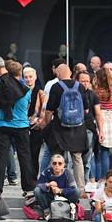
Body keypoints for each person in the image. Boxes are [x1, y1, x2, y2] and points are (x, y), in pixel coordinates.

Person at [38, 63, 89, 194]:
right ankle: (80, 189)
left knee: (57, 157)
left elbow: (49, 110)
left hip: (60, 128)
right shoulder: (80, 87)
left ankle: (54, 185)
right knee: (77, 158)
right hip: (78, 128)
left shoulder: (56, 87)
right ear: (71, 73)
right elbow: (86, 109)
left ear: (58, 74)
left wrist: (45, 124)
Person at [0, 61, 34, 192]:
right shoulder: (27, 90)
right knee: (24, 156)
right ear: (20, 73)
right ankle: (28, 187)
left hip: (3, 125)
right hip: (22, 125)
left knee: (1, 157)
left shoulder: (0, 88)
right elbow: (27, 107)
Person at [76, 71, 103, 187]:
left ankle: (85, 182)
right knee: (73, 159)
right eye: (83, 81)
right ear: (77, 81)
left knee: (87, 158)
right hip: (73, 129)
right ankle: (74, 183)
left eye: (87, 81)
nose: (85, 83)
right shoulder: (73, 94)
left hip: (89, 129)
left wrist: (101, 131)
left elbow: (98, 114)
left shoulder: (93, 95)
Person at [94, 68, 112, 176]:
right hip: (111, 118)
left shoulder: (97, 91)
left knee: (103, 153)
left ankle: (104, 178)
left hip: (100, 118)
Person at [23, 66, 46, 168]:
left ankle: (33, 179)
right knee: (24, 156)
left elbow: (44, 111)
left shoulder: (41, 93)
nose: (28, 79)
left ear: (35, 77)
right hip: (22, 127)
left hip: (35, 128)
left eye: (30, 76)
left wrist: (38, 123)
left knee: (34, 155)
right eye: (26, 77)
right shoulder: (20, 92)